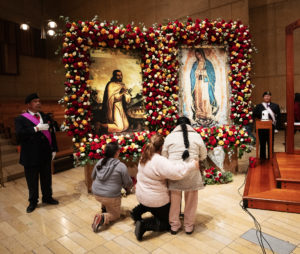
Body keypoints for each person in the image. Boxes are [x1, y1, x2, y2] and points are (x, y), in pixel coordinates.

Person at [131, 134, 199, 241]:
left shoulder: (144, 156)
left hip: (142, 195)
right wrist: (192, 165)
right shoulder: (159, 161)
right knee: (168, 223)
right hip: (156, 201)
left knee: (148, 203)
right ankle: (144, 225)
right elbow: (176, 172)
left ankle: (137, 212)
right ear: (162, 147)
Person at [162, 116, 207, 234]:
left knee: (174, 201)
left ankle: (174, 226)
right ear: (189, 125)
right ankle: (188, 226)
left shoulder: (170, 136)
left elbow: (164, 156)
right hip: (192, 172)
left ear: (176, 125)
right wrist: (197, 158)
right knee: (191, 201)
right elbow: (204, 155)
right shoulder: (197, 136)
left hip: (174, 172)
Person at [15, 93, 58, 213]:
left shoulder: (45, 116)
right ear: (28, 104)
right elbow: (19, 135)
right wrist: (35, 128)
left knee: (46, 178)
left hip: (45, 153)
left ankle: (47, 197)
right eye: (35, 101)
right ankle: (33, 201)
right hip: (30, 155)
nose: (38, 103)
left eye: (39, 101)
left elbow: (52, 134)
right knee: (32, 180)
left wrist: (54, 149)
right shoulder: (21, 119)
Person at [91, 141, 132, 232]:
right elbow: (128, 183)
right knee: (115, 215)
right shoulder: (121, 166)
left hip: (96, 194)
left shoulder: (100, 162)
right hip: (111, 196)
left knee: (105, 192)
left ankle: (104, 207)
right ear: (117, 152)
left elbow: (93, 176)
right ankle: (102, 217)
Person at [190, 49, 218, 119]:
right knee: (198, 98)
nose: (198, 56)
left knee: (205, 98)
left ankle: (207, 113)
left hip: (205, 83)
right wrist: (196, 72)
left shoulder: (208, 63)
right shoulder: (195, 64)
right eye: (196, 55)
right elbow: (192, 74)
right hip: (197, 82)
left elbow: (211, 74)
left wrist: (204, 73)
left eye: (199, 54)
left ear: (202, 54)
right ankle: (199, 112)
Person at [253, 91, 280, 160]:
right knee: (262, 144)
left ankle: (271, 158)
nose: (267, 97)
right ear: (263, 97)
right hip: (261, 128)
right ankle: (262, 159)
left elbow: (278, 118)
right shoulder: (259, 106)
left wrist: (277, 127)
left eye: (268, 96)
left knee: (270, 144)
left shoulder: (275, 106)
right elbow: (254, 116)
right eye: (265, 96)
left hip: (271, 128)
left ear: (270, 97)